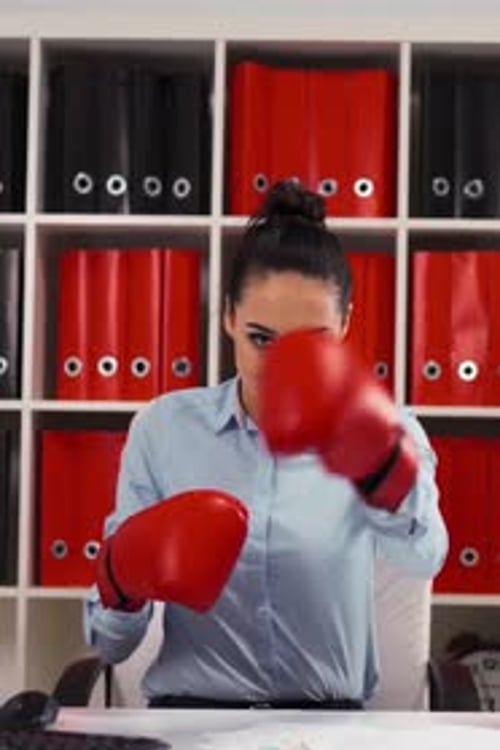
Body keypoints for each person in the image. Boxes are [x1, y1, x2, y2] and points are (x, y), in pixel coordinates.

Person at [84, 179, 448, 709]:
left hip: (328, 735)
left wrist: (386, 475)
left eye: (309, 344)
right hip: (190, 727)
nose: (282, 368)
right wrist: (121, 580)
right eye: (260, 338)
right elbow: (111, 645)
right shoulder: (163, 430)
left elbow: (424, 558)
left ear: (345, 325)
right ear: (229, 317)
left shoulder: (388, 430)